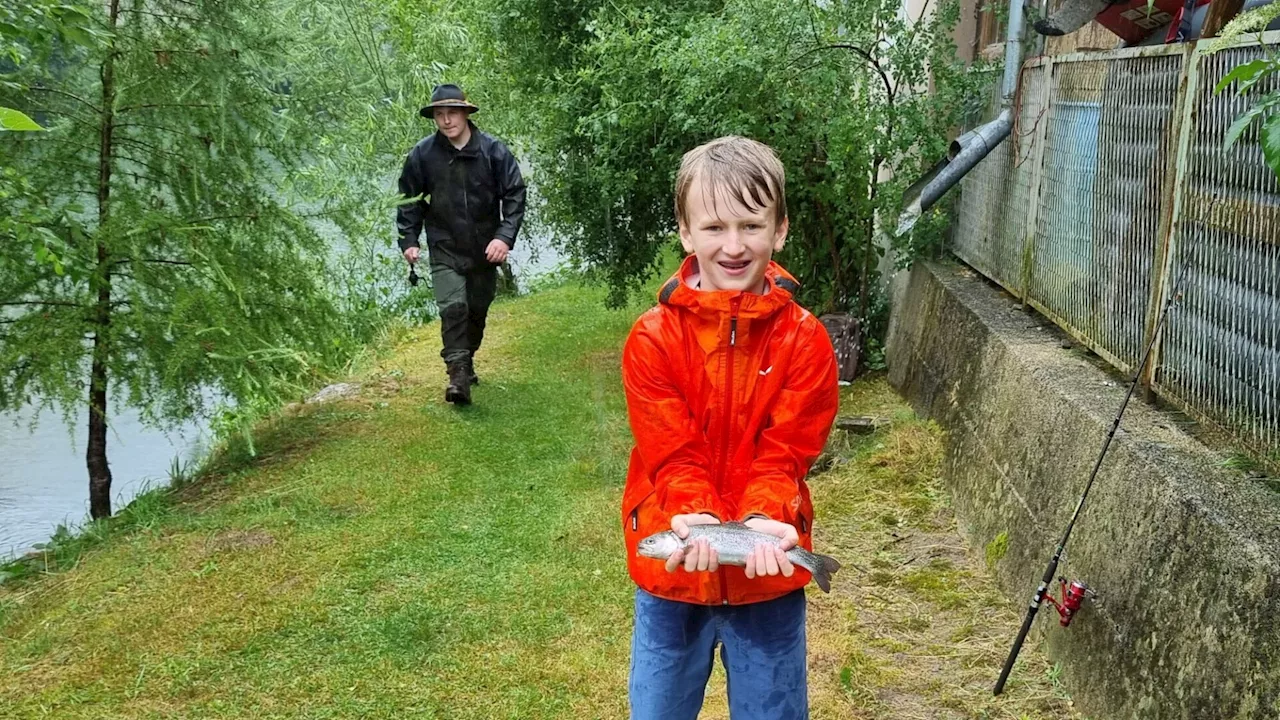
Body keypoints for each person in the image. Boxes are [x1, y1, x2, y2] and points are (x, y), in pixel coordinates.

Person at [620, 136, 839, 719]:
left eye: (751, 225)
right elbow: (672, 453)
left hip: (769, 581)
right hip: (671, 578)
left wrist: (766, 517)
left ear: (781, 228)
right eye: (714, 227)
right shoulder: (651, 339)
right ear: (686, 234)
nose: (734, 246)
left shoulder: (807, 340)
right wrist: (695, 515)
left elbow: (785, 455)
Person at [396, 83, 526, 405]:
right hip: (444, 245)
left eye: (451, 113)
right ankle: (457, 377)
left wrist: (504, 236)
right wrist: (409, 239)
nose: (446, 120)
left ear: (466, 113)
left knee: (476, 310)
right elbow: (408, 200)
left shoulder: (494, 152)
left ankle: (465, 360)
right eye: (439, 115)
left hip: (486, 248)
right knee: (452, 308)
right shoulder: (422, 155)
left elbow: (514, 194)